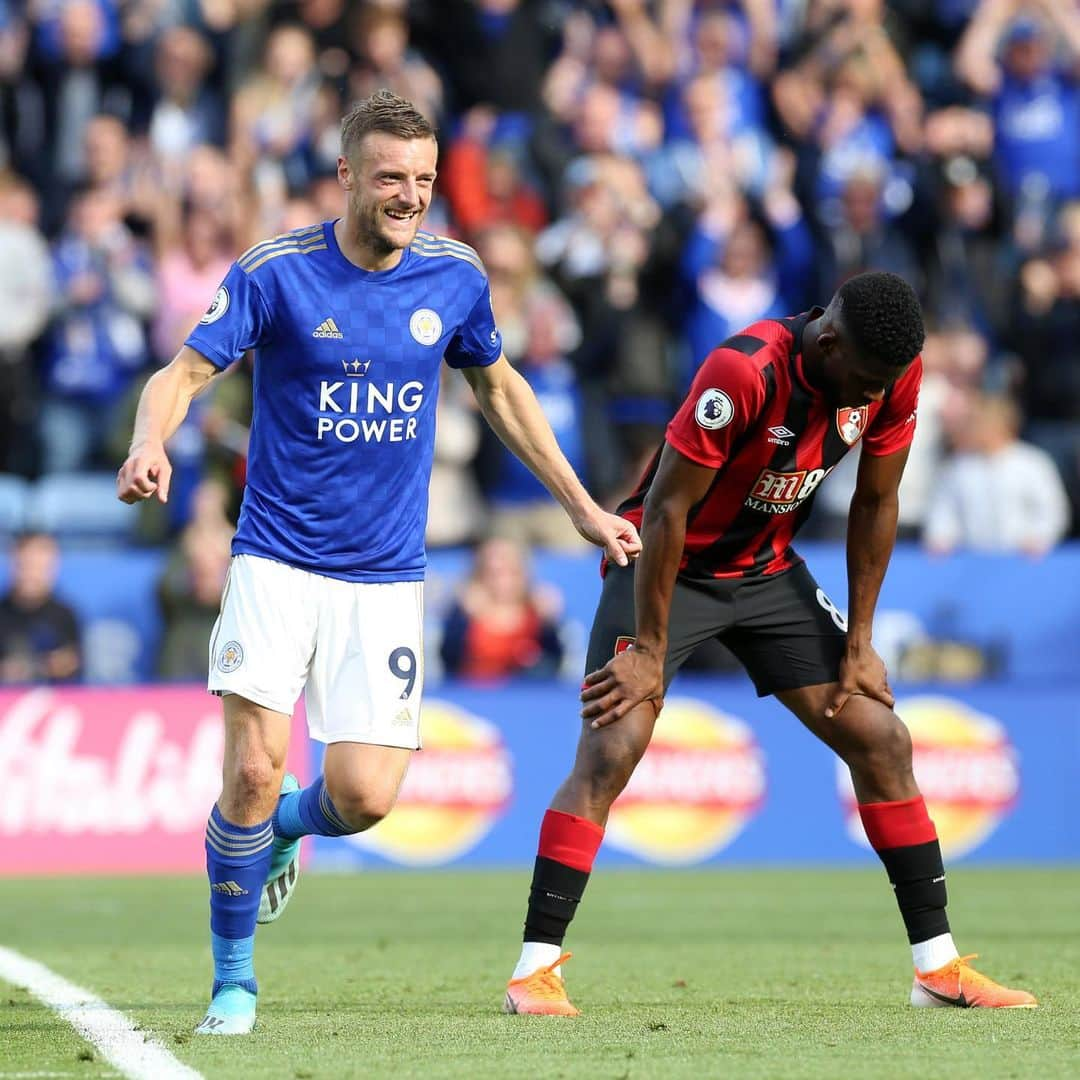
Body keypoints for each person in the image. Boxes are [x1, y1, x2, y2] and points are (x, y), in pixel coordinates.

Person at [115, 89, 640, 1037]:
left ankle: (278, 833)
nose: (410, 196)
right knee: (248, 771)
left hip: (386, 575)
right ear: (347, 175)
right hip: (274, 558)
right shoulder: (277, 273)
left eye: (426, 180)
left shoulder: (455, 276)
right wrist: (150, 441)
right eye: (391, 177)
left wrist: (585, 509)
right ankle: (234, 981)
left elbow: (501, 389)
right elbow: (183, 371)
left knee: (363, 799)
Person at [503, 271, 1037, 1016]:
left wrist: (862, 641)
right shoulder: (743, 371)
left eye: (885, 384)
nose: (872, 395)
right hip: (665, 568)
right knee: (612, 747)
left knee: (882, 738)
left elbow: (876, 501)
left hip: (766, 573)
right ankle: (534, 972)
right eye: (865, 381)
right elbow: (665, 509)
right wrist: (651, 648)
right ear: (827, 343)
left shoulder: (893, 371)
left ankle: (937, 970)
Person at [439, 537, 565, 681]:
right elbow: (448, 660)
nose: (504, 582)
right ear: (480, 575)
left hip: (525, 697)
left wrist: (549, 624)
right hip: (475, 694)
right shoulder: (466, 615)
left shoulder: (538, 613)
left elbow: (553, 665)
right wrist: (460, 616)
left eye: (512, 573)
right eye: (495, 573)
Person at [0, 532, 82, 685]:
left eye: (38, 567)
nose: (31, 574)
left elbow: (74, 663)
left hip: (55, 701)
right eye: (25, 565)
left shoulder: (64, 615)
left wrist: (38, 667)